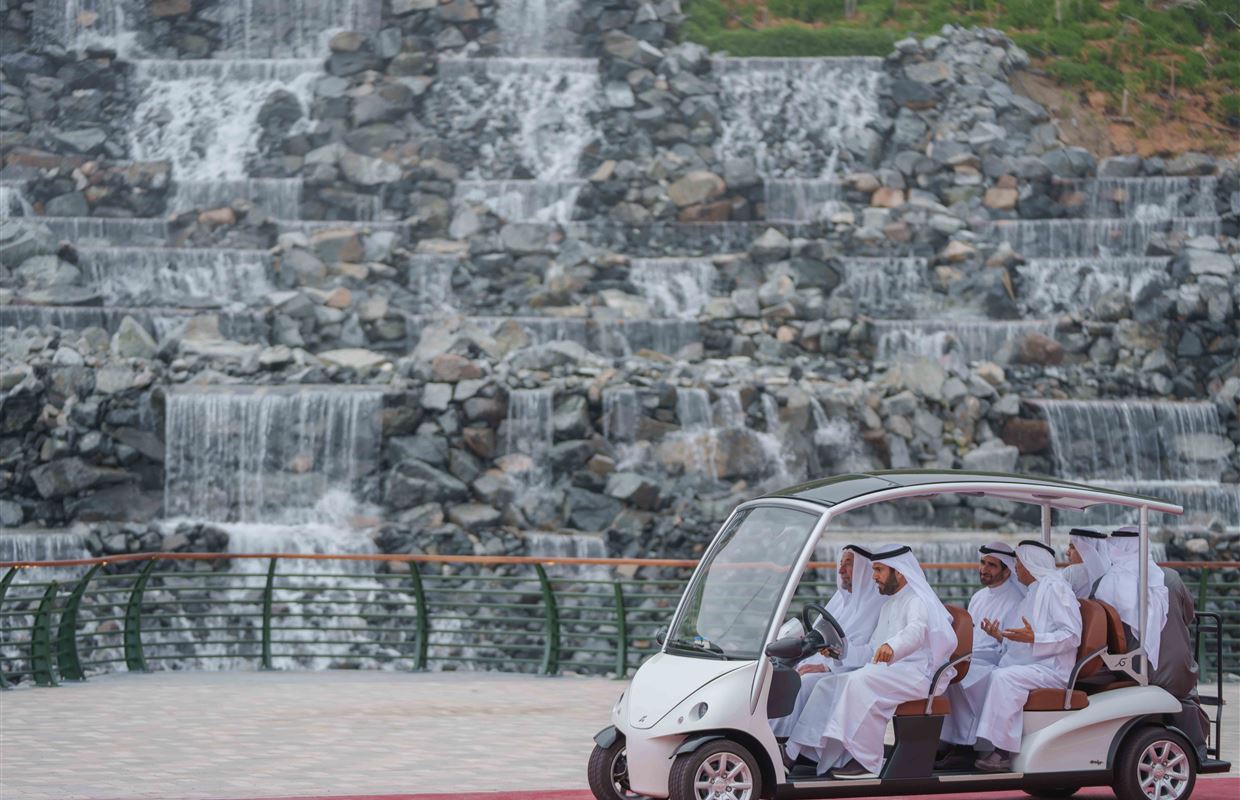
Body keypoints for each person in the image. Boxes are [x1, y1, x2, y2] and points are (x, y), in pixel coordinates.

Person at [785, 544, 957, 779]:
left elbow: (916, 632)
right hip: (892, 670)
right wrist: (840, 652)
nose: (874, 576)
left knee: (859, 681)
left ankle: (866, 760)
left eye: (878, 570)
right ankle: (794, 752)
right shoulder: (889, 605)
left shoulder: (917, 600)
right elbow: (871, 651)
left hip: (917, 673)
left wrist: (892, 647)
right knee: (828, 684)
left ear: (899, 572)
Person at [969, 540, 1082, 772]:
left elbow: (1072, 636)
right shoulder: (1033, 591)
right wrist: (1001, 636)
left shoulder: (1055, 589)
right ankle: (972, 744)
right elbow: (1022, 638)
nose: (1016, 568)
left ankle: (1002, 752)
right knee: (989, 673)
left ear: (1031, 564)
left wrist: (1035, 639)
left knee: (1003, 678)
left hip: (1054, 668)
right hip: (1034, 663)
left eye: (1019, 563)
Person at [771, 544, 883, 738]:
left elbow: (873, 652)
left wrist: (828, 667)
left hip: (851, 671)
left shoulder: (880, 604)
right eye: (840, 564)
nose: (841, 570)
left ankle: (784, 741)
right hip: (824, 662)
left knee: (803, 682)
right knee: (778, 672)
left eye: (848, 564)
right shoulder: (841, 599)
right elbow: (819, 634)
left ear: (864, 568)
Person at [937, 541, 1027, 768]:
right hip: (973, 655)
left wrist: (998, 635)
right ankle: (946, 742)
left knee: (959, 675)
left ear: (1007, 570)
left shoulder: (1018, 600)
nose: (984, 569)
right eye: (982, 563)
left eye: (991, 565)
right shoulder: (979, 596)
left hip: (998, 661)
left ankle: (966, 747)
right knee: (941, 669)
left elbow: (1017, 647)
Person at [1094, 526, 1170, 671]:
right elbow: (1189, 615)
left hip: (1123, 667)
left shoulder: (1105, 581)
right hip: (1176, 668)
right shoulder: (1171, 579)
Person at [1060, 528, 1110, 599]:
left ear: (1087, 550)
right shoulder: (1109, 571)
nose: (1067, 552)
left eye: (1072, 547)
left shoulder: (1071, 573)